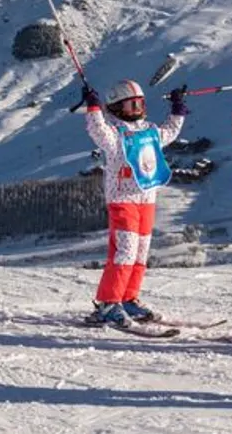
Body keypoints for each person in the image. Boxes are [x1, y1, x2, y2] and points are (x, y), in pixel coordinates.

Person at [79, 79, 187, 326]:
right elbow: (98, 132)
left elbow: (168, 133)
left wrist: (177, 109)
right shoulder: (115, 134)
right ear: (116, 108)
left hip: (146, 198)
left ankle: (128, 297)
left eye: (140, 103)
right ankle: (108, 303)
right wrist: (94, 108)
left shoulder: (149, 130)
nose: (137, 108)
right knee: (124, 252)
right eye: (131, 105)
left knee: (140, 252)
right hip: (122, 199)